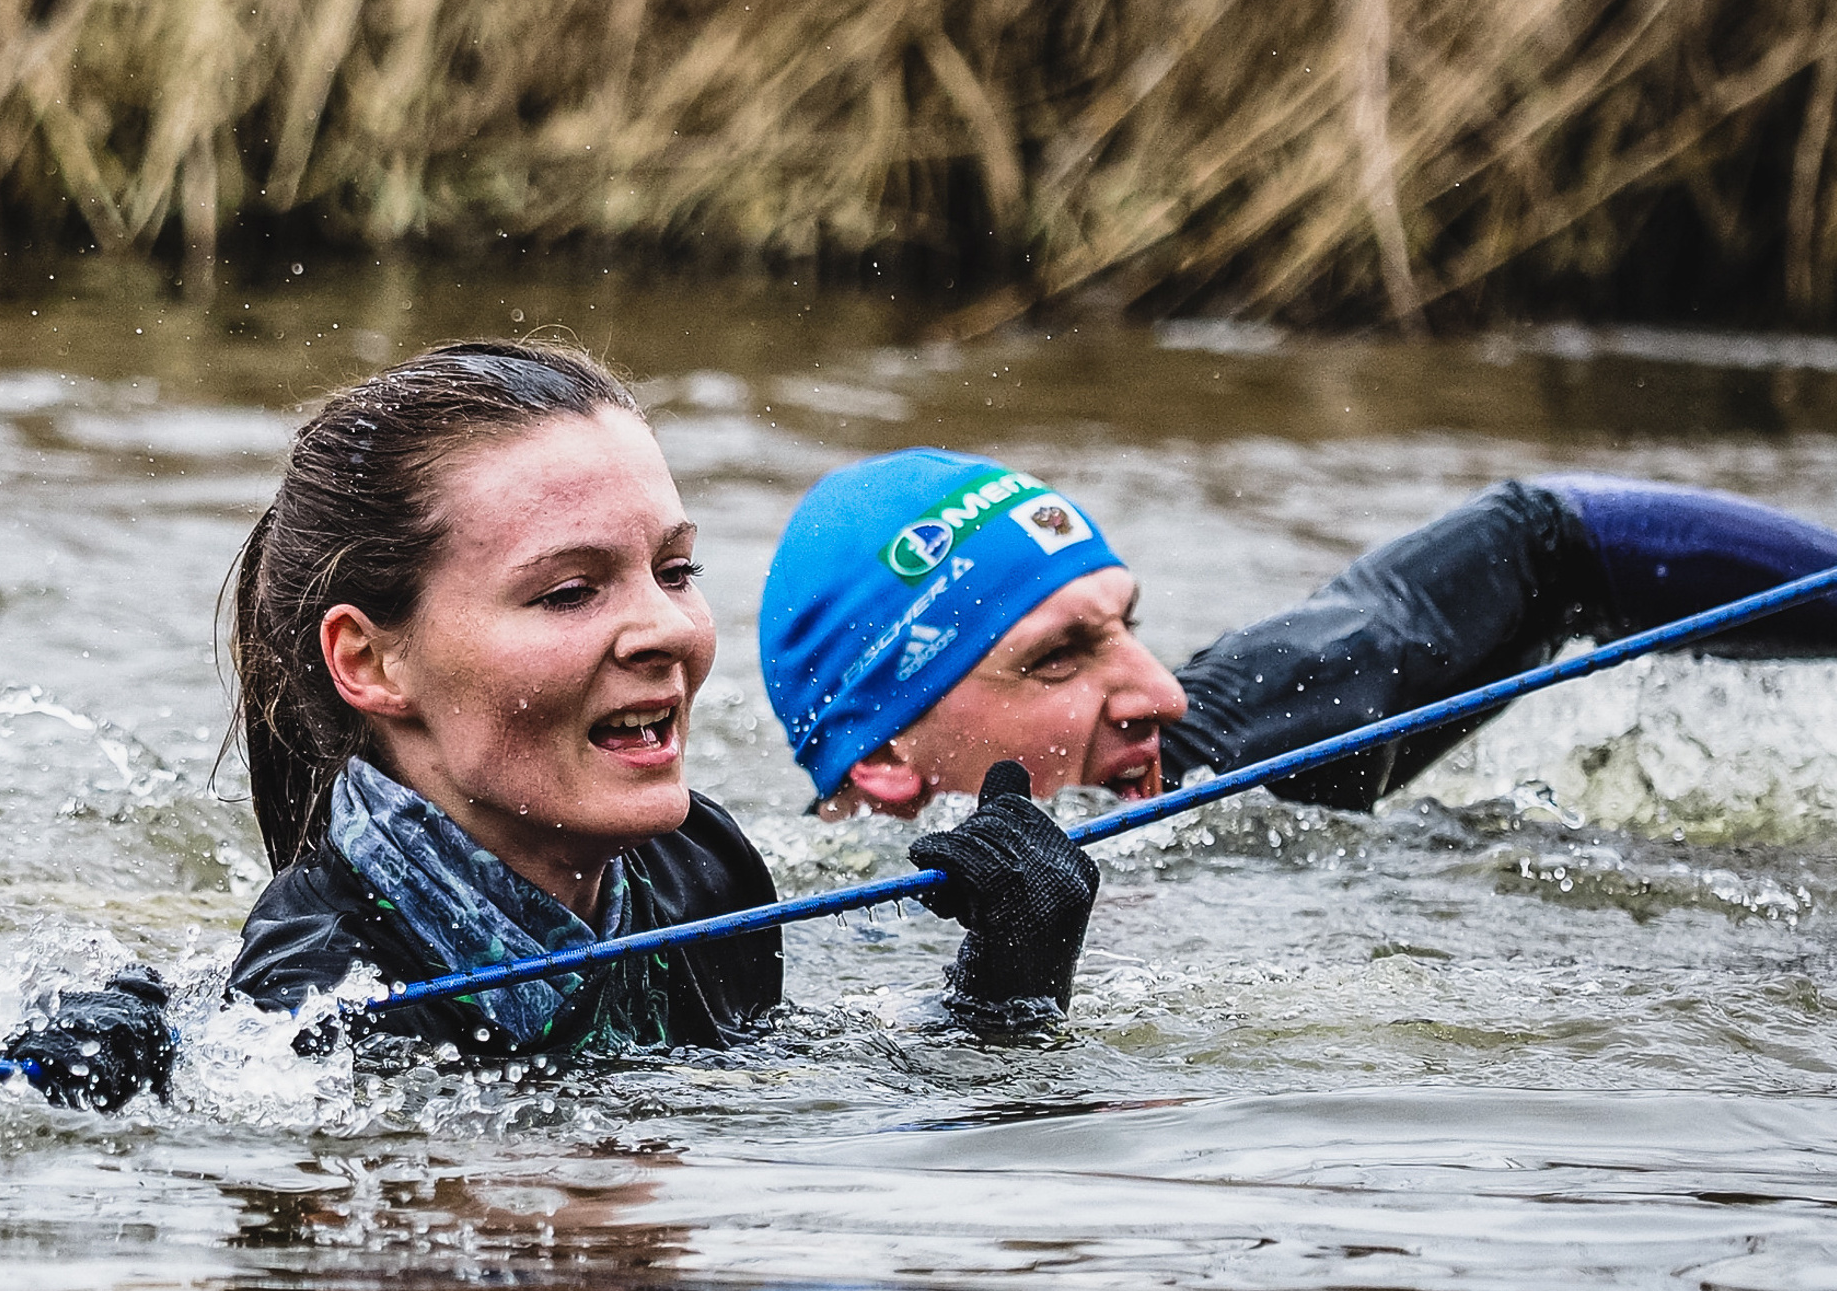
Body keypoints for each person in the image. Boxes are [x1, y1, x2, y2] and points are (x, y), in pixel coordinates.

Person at [6, 343, 1099, 1109]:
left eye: (675, 570)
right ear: (370, 660)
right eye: (569, 591)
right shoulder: (314, 1007)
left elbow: (794, 1106)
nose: (665, 629)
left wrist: (1005, 991)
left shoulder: (701, 868)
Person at [759, 451, 1837, 818]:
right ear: (887, 755)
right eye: (1057, 658)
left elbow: (1547, 544)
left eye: (1126, 630)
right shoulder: (767, 944)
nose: (1161, 694)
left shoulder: (1230, 760)